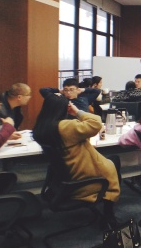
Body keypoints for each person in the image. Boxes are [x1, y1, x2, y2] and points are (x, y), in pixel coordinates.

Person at [33, 94, 120, 224]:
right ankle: (109, 212)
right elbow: (96, 123)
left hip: (64, 176)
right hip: (82, 178)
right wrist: (77, 111)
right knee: (113, 163)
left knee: (112, 161)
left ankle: (108, 209)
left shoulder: (41, 127)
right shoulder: (65, 127)